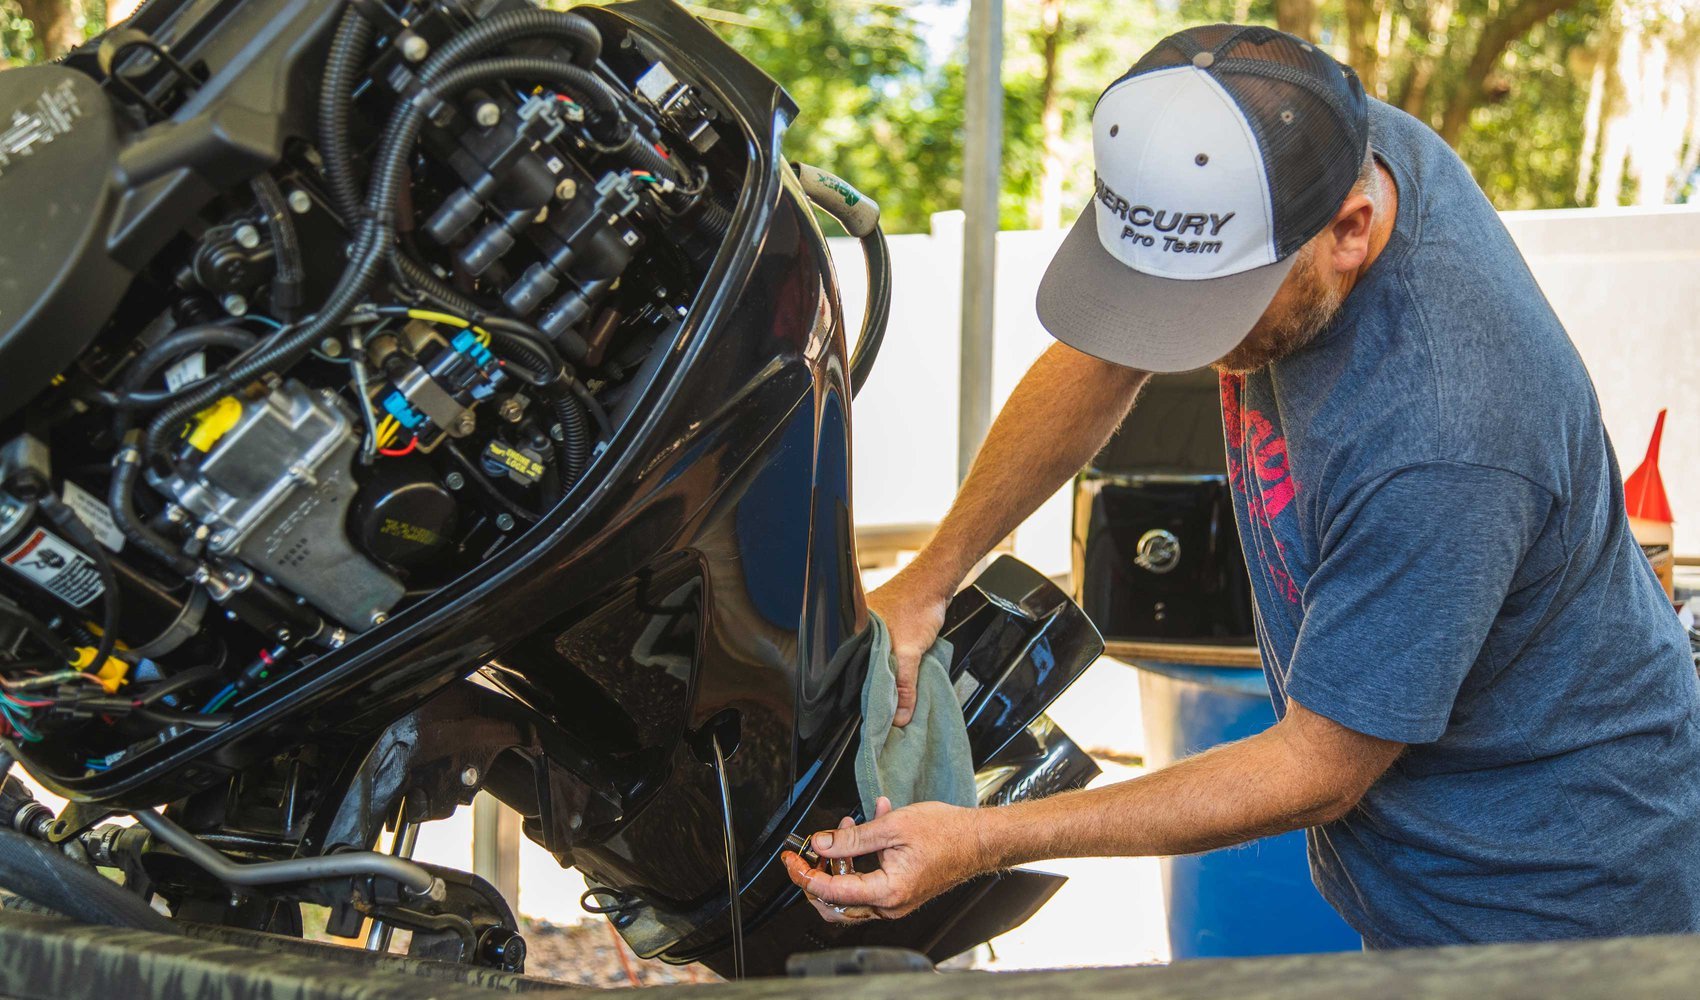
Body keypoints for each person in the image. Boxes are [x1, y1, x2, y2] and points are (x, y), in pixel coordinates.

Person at [782, 23, 1700, 949]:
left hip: (1553, 907)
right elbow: (1111, 349)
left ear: (1352, 229)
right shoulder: (1292, 146)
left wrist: (979, 838)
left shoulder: (1447, 433)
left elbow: (1316, 766)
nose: (1181, 342)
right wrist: (931, 578)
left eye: (1213, 307)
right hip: (1411, 870)